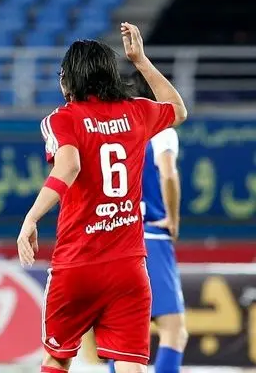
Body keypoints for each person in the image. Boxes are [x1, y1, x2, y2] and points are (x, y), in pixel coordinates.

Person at [16, 22, 188, 373]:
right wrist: (140, 60)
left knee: (57, 358)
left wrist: (31, 218)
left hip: (77, 263)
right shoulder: (137, 112)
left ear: (69, 79)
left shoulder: (62, 119)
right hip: (128, 266)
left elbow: (68, 166)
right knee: (130, 363)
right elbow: (178, 109)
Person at [107, 72, 187, 373]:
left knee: (123, 336)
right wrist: (173, 219)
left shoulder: (113, 134)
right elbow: (168, 173)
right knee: (174, 330)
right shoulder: (160, 130)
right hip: (151, 236)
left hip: (117, 239)